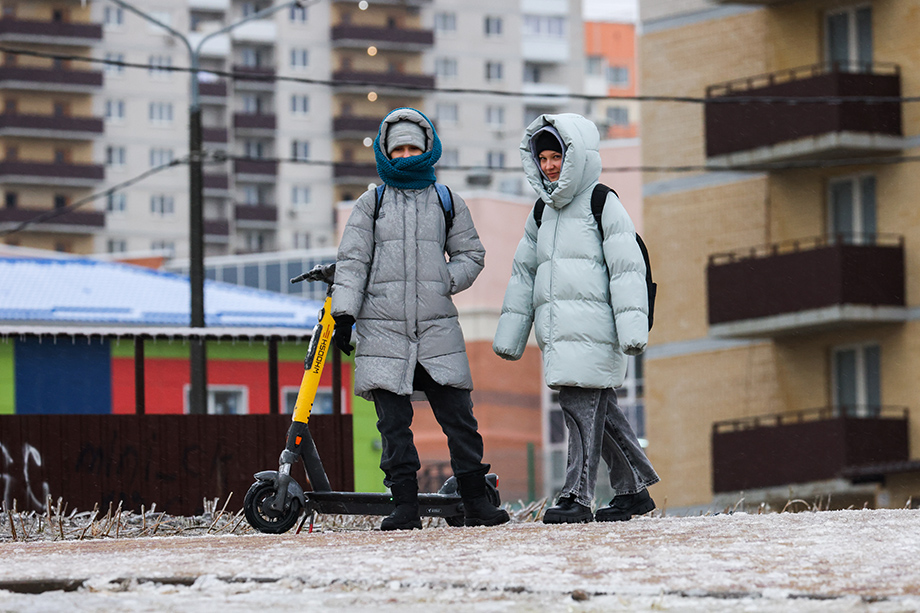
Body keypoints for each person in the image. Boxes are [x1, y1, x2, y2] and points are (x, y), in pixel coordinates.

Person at [330, 107, 510, 531]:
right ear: (386, 153)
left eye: (414, 147)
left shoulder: (447, 201)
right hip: (383, 332)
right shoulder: (370, 204)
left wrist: (444, 279)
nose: (407, 155)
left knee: (460, 421)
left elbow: (472, 255)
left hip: (436, 330)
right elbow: (351, 262)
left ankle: (476, 502)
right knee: (394, 428)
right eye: (399, 149)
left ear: (427, 149)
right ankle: (404, 507)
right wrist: (344, 315)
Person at [492, 113, 660, 523]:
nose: (550, 166)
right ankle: (633, 488)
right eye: (544, 158)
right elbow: (524, 274)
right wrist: (510, 336)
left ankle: (576, 496)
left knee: (578, 409)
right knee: (600, 415)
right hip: (560, 334)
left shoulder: (602, 202)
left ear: (577, 157)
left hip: (595, 332)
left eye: (557, 156)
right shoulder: (541, 213)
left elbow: (627, 269)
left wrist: (632, 331)